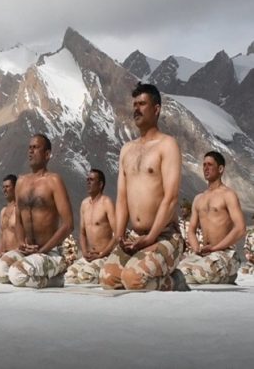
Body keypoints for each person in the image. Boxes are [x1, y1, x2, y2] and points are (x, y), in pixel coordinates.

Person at [99, 83, 188, 291]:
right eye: (135, 104)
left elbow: (171, 198)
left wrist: (150, 237)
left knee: (133, 279)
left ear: (156, 109)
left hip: (165, 235)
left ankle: (175, 281)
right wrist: (119, 236)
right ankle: (157, 271)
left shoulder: (167, 145)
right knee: (107, 278)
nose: (136, 109)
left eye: (142, 104)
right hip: (135, 237)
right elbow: (122, 198)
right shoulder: (126, 150)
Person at [0, 134, 74, 288]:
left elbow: (68, 224)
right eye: (29, 148)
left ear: (47, 154)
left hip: (48, 252)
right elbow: (19, 218)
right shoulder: (21, 182)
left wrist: (43, 249)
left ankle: (56, 275)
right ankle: (40, 274)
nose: (30, 151)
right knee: (0, 271)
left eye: (35, 148)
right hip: (27, 251)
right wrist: (22, 243)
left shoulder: (54, 181)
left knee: (16, 274)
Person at [177, 152, 246, 284]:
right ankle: (219, 275)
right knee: (179, 273)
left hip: (225, 253)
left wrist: (215, 248)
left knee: (199, 273)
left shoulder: (228, 195)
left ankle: (228, 274)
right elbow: (191, 229)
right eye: (204, 165)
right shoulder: (198, 199)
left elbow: (240, 228)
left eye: (210, 165)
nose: (205, 168)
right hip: (204, 253)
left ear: (220, 169)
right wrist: (197, 249)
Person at [65, 169, 115, 284]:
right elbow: (82, 233)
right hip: (88, 256)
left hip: (103, 256)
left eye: (91, 180)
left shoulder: (106, 203)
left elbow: (117, 234)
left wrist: (102, 254)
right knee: (69, 277)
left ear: (100, 184)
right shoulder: (84, 204)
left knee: (85, 277)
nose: (88, 182)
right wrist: (84, 251)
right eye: (87, 180)